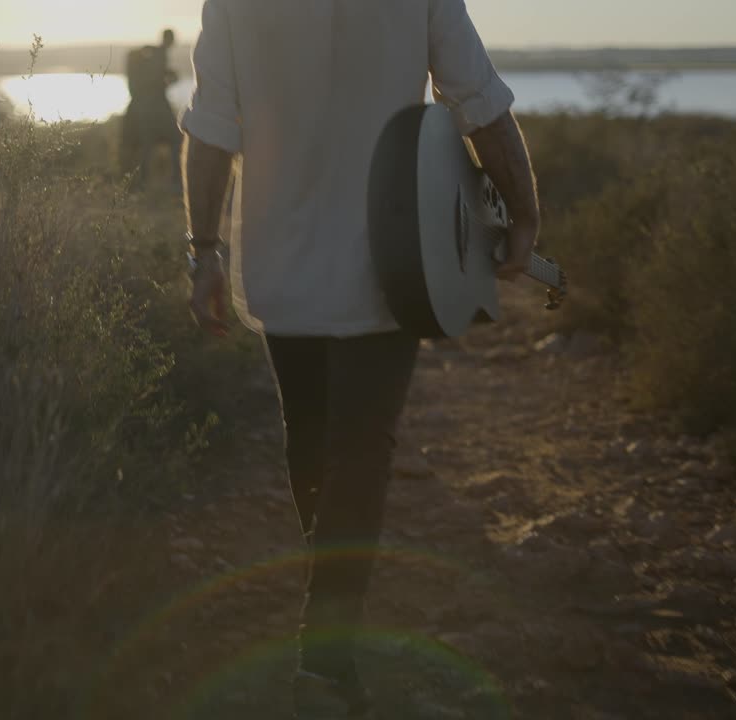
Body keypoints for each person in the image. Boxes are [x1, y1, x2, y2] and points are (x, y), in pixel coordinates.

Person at [177, 1, 541, 718]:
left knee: (315, 442)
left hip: (285, 259)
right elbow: (478, 101)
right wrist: (524, 212)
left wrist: (203, 253)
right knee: (356, 449)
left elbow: (212, 124)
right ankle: (330, 641)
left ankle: (327, 641)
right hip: (393, 257)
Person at [121, 29, 183, 189]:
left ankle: (146, 181)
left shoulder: (155, 53)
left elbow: (157, 76)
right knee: (173, 140)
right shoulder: (157, 53)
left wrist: (168, 76)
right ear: (169, 39)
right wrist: (166, 80)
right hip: (154, 107)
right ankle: (173, 180)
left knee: (148, 144)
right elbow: (155, 79)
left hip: (148, 107)